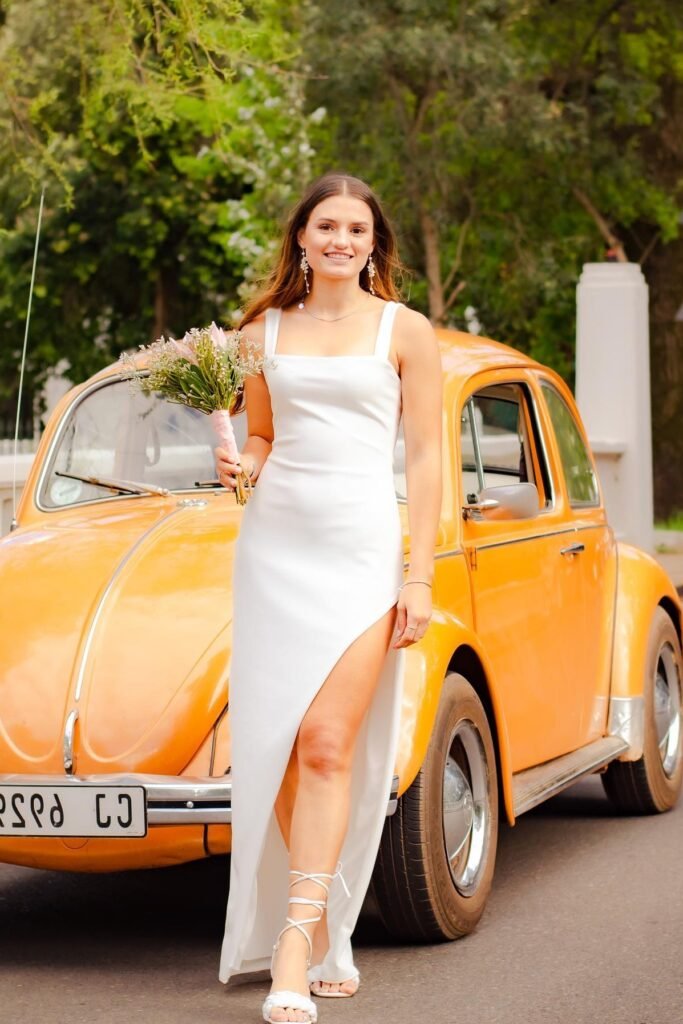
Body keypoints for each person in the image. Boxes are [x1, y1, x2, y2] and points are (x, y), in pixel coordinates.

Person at [215, 171, 443, 1024]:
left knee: (323, 745)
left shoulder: (403, 329)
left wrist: (419, 573)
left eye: (355, 229)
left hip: (361, 555)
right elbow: (263, 434)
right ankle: (322, 923)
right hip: (273, 551)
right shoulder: (260, 332)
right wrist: (242, 466)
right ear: (301, 239)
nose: (341, 240)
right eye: (326, 227)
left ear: (373, 243)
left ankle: (293, 945)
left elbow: (425, 456)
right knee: (278, 747)